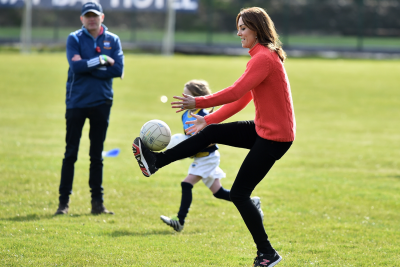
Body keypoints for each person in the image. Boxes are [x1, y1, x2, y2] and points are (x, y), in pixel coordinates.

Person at [132, 7, 295, 267]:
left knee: (241, 194)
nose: (239, 32)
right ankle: (156, 162)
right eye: (238, 27)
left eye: (243, 28)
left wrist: (198, 101)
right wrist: (207, 119)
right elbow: (244, 99)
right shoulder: (261, 56)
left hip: (275, 137)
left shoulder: (263, 58)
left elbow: (235, 91)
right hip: (265, 129)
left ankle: (267, 253)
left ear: (257, 29)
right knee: (212, 132)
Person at [159, 80, 264, 232]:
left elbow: (210, 140)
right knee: (219, 192)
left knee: (186, 183)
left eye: (187, 96)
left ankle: (180, 221)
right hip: (201, 158)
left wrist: (192, 149)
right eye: (183, 96)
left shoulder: (204, 116)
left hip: (208, 157)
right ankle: (253, 202)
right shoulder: (184, 115)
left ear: (198, 98)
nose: (184, 100)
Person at [55, 1, 124, 215]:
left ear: (102, 17)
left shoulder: (113, 39)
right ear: (82, 19)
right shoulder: (74, 38)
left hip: (102, 102)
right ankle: (63, 204)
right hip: (76, 102)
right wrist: (103, 60)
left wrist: (90, 66)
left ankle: (97, 204)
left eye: (95, 15)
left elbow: (118, 70)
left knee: (97, 155)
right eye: (87, 16)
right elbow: (75, 66)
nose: (91, 19)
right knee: (71, 154)